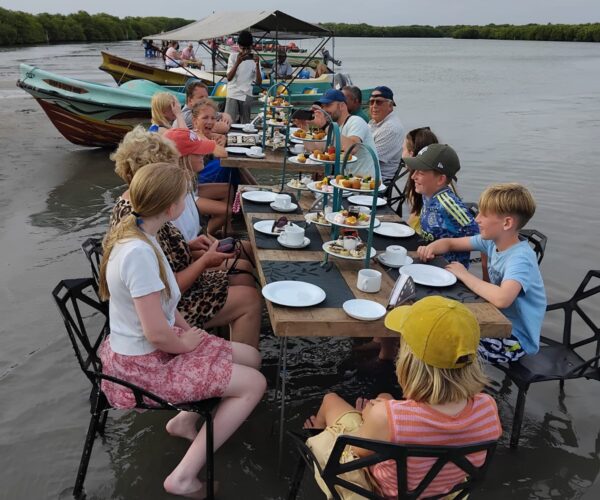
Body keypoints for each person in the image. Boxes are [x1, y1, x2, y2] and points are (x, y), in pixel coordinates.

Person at [98, 162, 266, 498]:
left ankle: (184, 421)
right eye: (183, 197)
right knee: (255, 384)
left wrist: (191, 333)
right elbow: (156, 334)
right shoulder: (138, 253)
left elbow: (165, 303)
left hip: (157, 345)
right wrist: (188, 345)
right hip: (144, 364)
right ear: (171, 206)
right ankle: (183, 477)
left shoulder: (144, 234)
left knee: (252, 357)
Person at [303, 296, 501, 499]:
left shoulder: (384, 416)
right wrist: (386, 407)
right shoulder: (488, 408)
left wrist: (368, 418)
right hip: (440, 491)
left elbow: (357, 452)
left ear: (409, 361)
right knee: (385, 396)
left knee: (330, 400)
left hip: (382, 493)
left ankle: (317, 431)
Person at [109, 127, 261, 348]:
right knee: (249, 298)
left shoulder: (138, 205)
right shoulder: (145, 219)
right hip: (170, 309)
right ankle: (231, 359)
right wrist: (204, 261)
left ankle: (228, 344)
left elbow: (162, 259)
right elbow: (166, 287)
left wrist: (188, 247)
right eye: (171, 165)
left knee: (242, 275)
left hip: (170, 295)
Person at [417, 183, 547, 363]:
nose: (477, 219)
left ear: (507, 223)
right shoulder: (492, 242)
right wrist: (430, 248)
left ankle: (455, 381)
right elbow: (450, 243)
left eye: (484, 214)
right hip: (493, 320)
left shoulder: (521, 258)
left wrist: (464, 274)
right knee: (434, 326)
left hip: (514, 340)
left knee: (443, 345)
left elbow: (502, 299)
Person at [404, 143, 479, 267]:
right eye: (414, 171)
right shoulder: (426, 194)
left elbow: (483, 239)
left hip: (448, 271)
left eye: (420, 173)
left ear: (440, 180)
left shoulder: (448, 205)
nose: (413, 176)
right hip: (429, 262)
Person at [165, 125, 234, 237]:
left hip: (197, 240)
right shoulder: (176, 197)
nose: (203, 154)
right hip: (194, 244)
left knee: (229, 189)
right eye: (198, 152)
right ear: (183, 158)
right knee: (227, 210)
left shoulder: (184, 182)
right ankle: (209, 231)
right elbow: (187, 239)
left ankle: (214, 231)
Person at [308, 89, 379, 178]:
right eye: (323, 107)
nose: (324, 110)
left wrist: (325, 126)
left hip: (367, 183)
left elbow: (352, 148)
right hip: (346, 182)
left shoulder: (356, 121)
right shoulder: (335, 128)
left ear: (341, 106)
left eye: (328, 105)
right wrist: (305, 128)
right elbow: (314, 148)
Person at [401, 127, 439, 233]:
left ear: (411, 154)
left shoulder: (425, 184)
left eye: (403, 149)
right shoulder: (436, 176)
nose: (402, 154)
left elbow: (415, 222)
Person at [368, 86, 404, 182]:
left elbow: (369, 159)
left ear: (390, 106)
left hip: (378, 182)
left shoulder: (391, 128)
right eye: (371, 102)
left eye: (379, 102)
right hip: (366, 175)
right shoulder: (374, 122)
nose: (374, 106)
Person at [225, 30, 262, 124]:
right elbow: (229, 78)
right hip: (233, 93)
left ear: (251, 47)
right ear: (239, 46)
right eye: (243, 48)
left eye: (248, 49)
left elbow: (258, 82)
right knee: (228, 122)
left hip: (247, 93)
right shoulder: (233, 56)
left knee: (245, 124)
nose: (245, 51)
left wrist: (257, 65)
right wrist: (237, 63)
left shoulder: (254, 59)